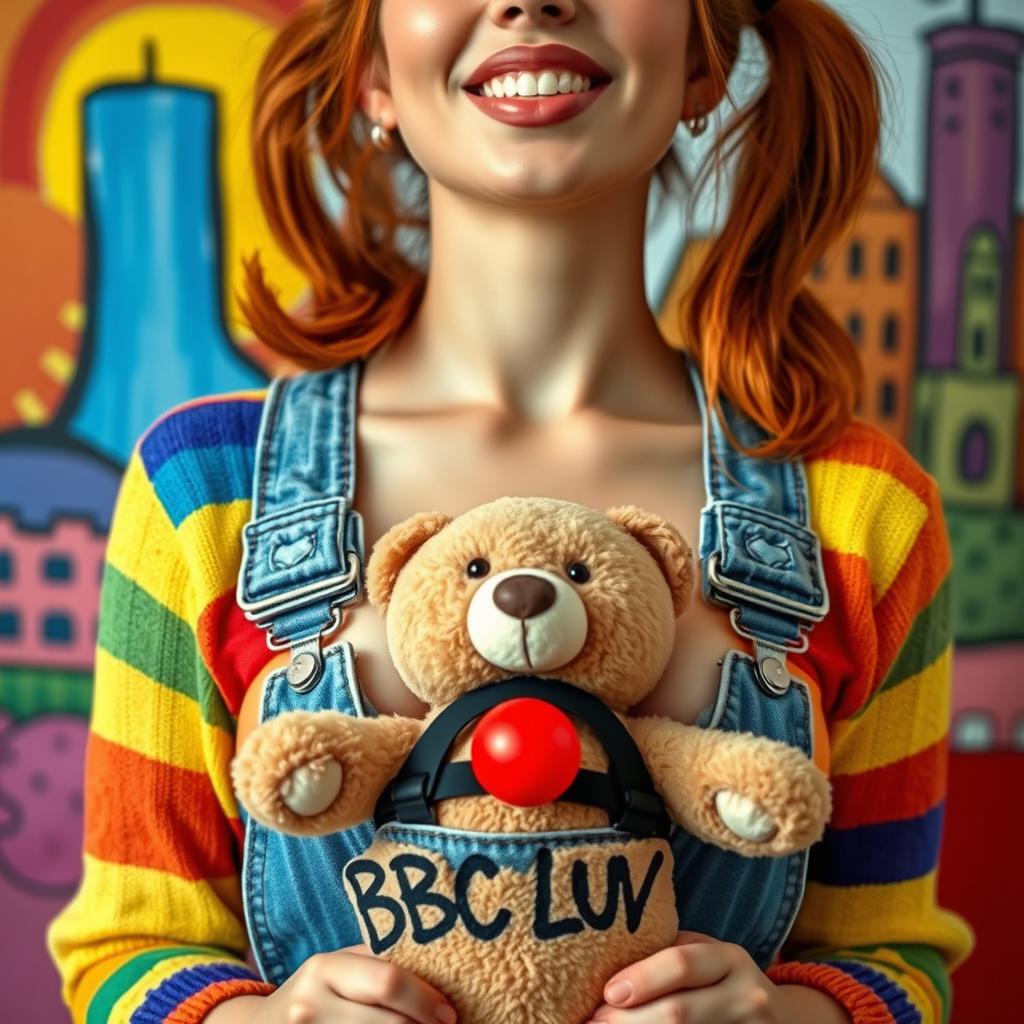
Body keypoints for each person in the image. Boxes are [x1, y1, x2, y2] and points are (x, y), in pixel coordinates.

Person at [48, 0, 974, 1021]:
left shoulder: (863, 510)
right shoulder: (204, 485)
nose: (532, 1)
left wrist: (798, 1013)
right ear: (374, 72)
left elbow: (896, 961)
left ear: (704, 63)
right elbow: (127, 950)